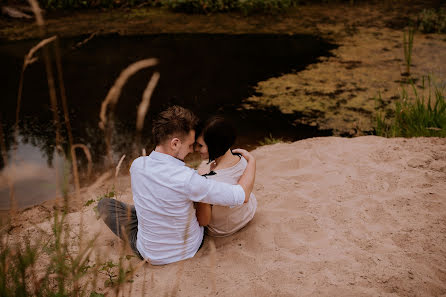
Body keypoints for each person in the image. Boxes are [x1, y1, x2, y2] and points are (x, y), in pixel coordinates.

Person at [97, 105, 256, 265]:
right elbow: (241, 195)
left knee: (105, 205)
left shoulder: (137, 166)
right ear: (174, 144)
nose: (191, 151)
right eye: (189, 145)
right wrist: (252, 162)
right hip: (189, 248)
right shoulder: (190, 179)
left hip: (148, 253)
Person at [194, 116, 257, 237]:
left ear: (215, 146)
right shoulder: (242, 157)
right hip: (248, 213)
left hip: (224, 228)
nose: (196, 149)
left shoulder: (210, 181)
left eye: (200, 145)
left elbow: (203, 221)